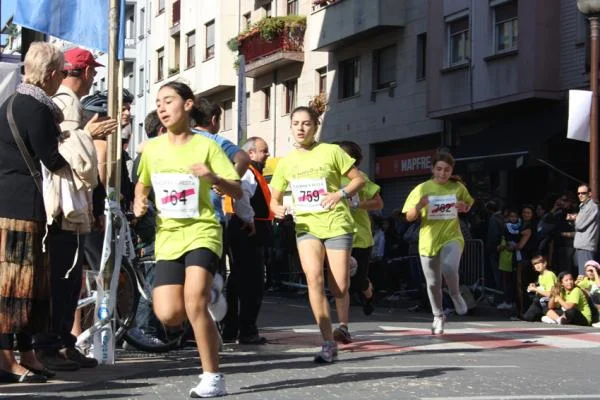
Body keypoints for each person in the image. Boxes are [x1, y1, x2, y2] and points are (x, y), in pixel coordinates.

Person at [134, 81, 241, 397]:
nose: (162, 107)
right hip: (168, 235)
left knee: (194, 301)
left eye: (169, 100)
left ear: (188, 104)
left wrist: (213, 178)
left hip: (202, 231)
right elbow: (143, 184)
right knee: (169, 314)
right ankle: (210, 301)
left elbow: (235, 190)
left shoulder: (207, 146)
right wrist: (139, 201)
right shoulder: (152, 149)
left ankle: (213, 378)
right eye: (158, 102)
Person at [33, 47, 117, 372]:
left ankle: (63, 343)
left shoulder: (65, 102)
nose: (94, 78)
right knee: (65, 278)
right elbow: (68, 154)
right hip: (66, 206)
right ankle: (54, 345)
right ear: (85, 72)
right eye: (93, 72)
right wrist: (87, 133)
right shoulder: (67, 103)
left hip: (69, 204)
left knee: (70, 279)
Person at [269, 106, 365, 363]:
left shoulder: (331, 151)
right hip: (307, 227)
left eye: (306, 124)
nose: (300, 128)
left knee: (339, 286)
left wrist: (339, 194)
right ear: (291, 127)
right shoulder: (286, 162)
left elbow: (358, 180)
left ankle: (347, 271)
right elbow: (273, 199)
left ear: (315, 126)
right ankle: (328, 342)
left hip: (337, 224)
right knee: (314, 280)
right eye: (296, 123)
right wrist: (276, 208)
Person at [0, 42, 70, 383]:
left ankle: (26, 355)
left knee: (22, 288)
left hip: (8, 203)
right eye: (62, 73)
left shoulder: (10, 103)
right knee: (17, 288)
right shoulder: (38, 108)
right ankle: (7, 360)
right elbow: (52, 159)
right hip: (24, 207)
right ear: (52, 74)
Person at [402, 150, 474, 334]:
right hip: (428, 240)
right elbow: (409, 217)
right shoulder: (421, 189)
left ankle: (456, 294)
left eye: (447, 170)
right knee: (433, 282)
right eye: (439, 169)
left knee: (449, 267)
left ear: (452, 171)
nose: (443, 173)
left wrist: (464, 207)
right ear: (433, 169)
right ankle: (438, 315)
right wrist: (420, 205)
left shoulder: (457, 187)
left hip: (452, 235)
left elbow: (468, 204)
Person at [331, 140, 383, 344]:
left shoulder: (361, 178)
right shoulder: (329, 177)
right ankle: (343, 326)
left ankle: (369, 295)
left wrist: (357, 204)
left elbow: (378, 203)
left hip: (360, 236)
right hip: (337, 235)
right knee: (341, 282)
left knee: (359, 281)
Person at [222, 137, 273, 344]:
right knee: (252, 282)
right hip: (247, 230)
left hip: (241, 227)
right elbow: (241, 196)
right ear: (250, 153)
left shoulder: (249, 172)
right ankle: (247, 329)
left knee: (237, 280)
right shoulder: (249, 173)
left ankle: (231, 328)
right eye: (263, 151)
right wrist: (249, 219)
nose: (267, 154)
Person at [123, 110, 167, 350]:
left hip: (150, 220)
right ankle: (144, 330)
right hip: (152, 222)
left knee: (152, 275)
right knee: (151, 276)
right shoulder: (152, 155)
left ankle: (150, 330)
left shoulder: (144, 154)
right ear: (161, 130)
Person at [191, 97, 249, 278]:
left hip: (179, 218)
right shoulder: (216, 141)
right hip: (211, 218)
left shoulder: (181, 139)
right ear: (214, 120)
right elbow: (243, 159)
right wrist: (225, 184)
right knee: (213, 277)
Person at [567, 184, 599, 275]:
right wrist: (573, 220)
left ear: (590, 194)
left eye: (583, 193)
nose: (580, 195)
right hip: (581, 246)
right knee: (581, 275)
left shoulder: (591, 206)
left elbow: (580, 225)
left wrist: (575, 218)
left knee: (585, 276)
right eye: (578, 193)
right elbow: (579, 225)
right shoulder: (583, 206)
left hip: (586, 246)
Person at [522, 255, 557, 322]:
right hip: (543, 300)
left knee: (538, 300)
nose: (537, 266)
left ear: (544, 263)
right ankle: (544, 317)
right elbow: (543, 289)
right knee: (527, 317)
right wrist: (535, 287)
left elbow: (549, 294)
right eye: (535, 264)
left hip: (551, 301)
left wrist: (535, 289)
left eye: (539, 263)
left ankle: (550, 316)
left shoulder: (549, 274)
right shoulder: (540, 276)